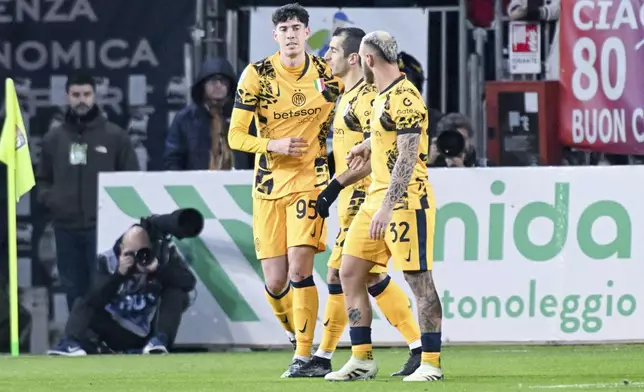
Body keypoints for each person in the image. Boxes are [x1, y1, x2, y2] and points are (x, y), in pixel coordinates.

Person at [292, 27, 422, 378]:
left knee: (344, 273)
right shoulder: (347, 96)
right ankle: (411, 346)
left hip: (365, 195)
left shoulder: (366, 98)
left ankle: (325, 355)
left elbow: (374, 154)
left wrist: (332, 188)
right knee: (365, 276)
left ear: (354, 58)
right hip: (356, 196)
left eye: (332, 50)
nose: (326, 56)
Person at [227, 3, 342, 378]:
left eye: (297, 27)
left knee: (299, 269)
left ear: (308, 33)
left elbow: (360, 95)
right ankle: (298, 336)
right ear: (275, 35)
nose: (291, 34)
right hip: (268, 187)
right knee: (275, 282)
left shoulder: (328, 73)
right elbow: (235, 136)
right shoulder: (256, 75)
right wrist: (271, 146)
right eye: (284, 28)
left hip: (310, 182)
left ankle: (305, 357)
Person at [324, 31, 443, 382]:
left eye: (361, 58)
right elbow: (387, 137)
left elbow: (407, 157)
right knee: (349, 271)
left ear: (369, 60)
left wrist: (388, 207)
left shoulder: (406, 97)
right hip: (375, 196)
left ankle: (431, 363)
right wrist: (366, 145)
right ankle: (362, 358)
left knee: (418, 279)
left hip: (406, 200)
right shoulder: (380, 96)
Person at [36, 73, 139, 312]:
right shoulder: (54, 139)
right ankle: (78, 343)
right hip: (66, 229)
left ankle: (104, 343)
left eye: (86, 94)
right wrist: (53, 200)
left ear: (95, 95)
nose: (81, 100)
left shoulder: (115, 136)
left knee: (105, 288)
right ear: (67, 97)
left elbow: (130, 179)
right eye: (76, 95)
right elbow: (42, 178)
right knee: (73, 291)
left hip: (103, 230)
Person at [47, 225, 196, 356]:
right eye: (130, 253)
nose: (136, 258)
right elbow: (93, 299)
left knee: (177, 293)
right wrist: (118, 275)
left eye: (141, 252)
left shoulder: (162, 257)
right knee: (85, 299)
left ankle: (159, 343)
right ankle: (70, 343)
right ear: (121, 250)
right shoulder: (107, 261)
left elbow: (188, 282)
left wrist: (158, 270)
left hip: (149, 333)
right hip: (117, 328)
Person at [163, 57, 253, 170]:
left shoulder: (244, 118)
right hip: (196, 184)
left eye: (223, 82)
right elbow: (173, 159)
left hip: (237, 184)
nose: (218, 86)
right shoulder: (185, 119)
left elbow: (256, 156)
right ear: (203, 85)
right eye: (213, 81)